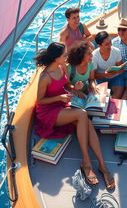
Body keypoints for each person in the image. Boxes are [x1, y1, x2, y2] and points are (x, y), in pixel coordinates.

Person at [34, 42, 115, 190]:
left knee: (87, 123)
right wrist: (60, 98)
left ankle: (102, 166)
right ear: (56, 58)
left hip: (63, 103)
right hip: (49, 112)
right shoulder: (45, 77)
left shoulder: (61, 67)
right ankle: (86, 161)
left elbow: (65, 86)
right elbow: (40, 100)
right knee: (82, 114)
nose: (67, 57)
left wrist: (74, 88)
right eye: (64, 55)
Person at [92, 31, 125, 99]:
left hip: (115, 77)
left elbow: (121, 69)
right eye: (107, 44)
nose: (110, 45)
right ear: (99, 45)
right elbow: (93, 76)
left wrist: (117, 72)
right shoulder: (94, 56)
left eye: (110, 42)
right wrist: (105, 75)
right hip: (101, 79)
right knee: (102, 98)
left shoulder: (116, 51)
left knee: (116, 97)